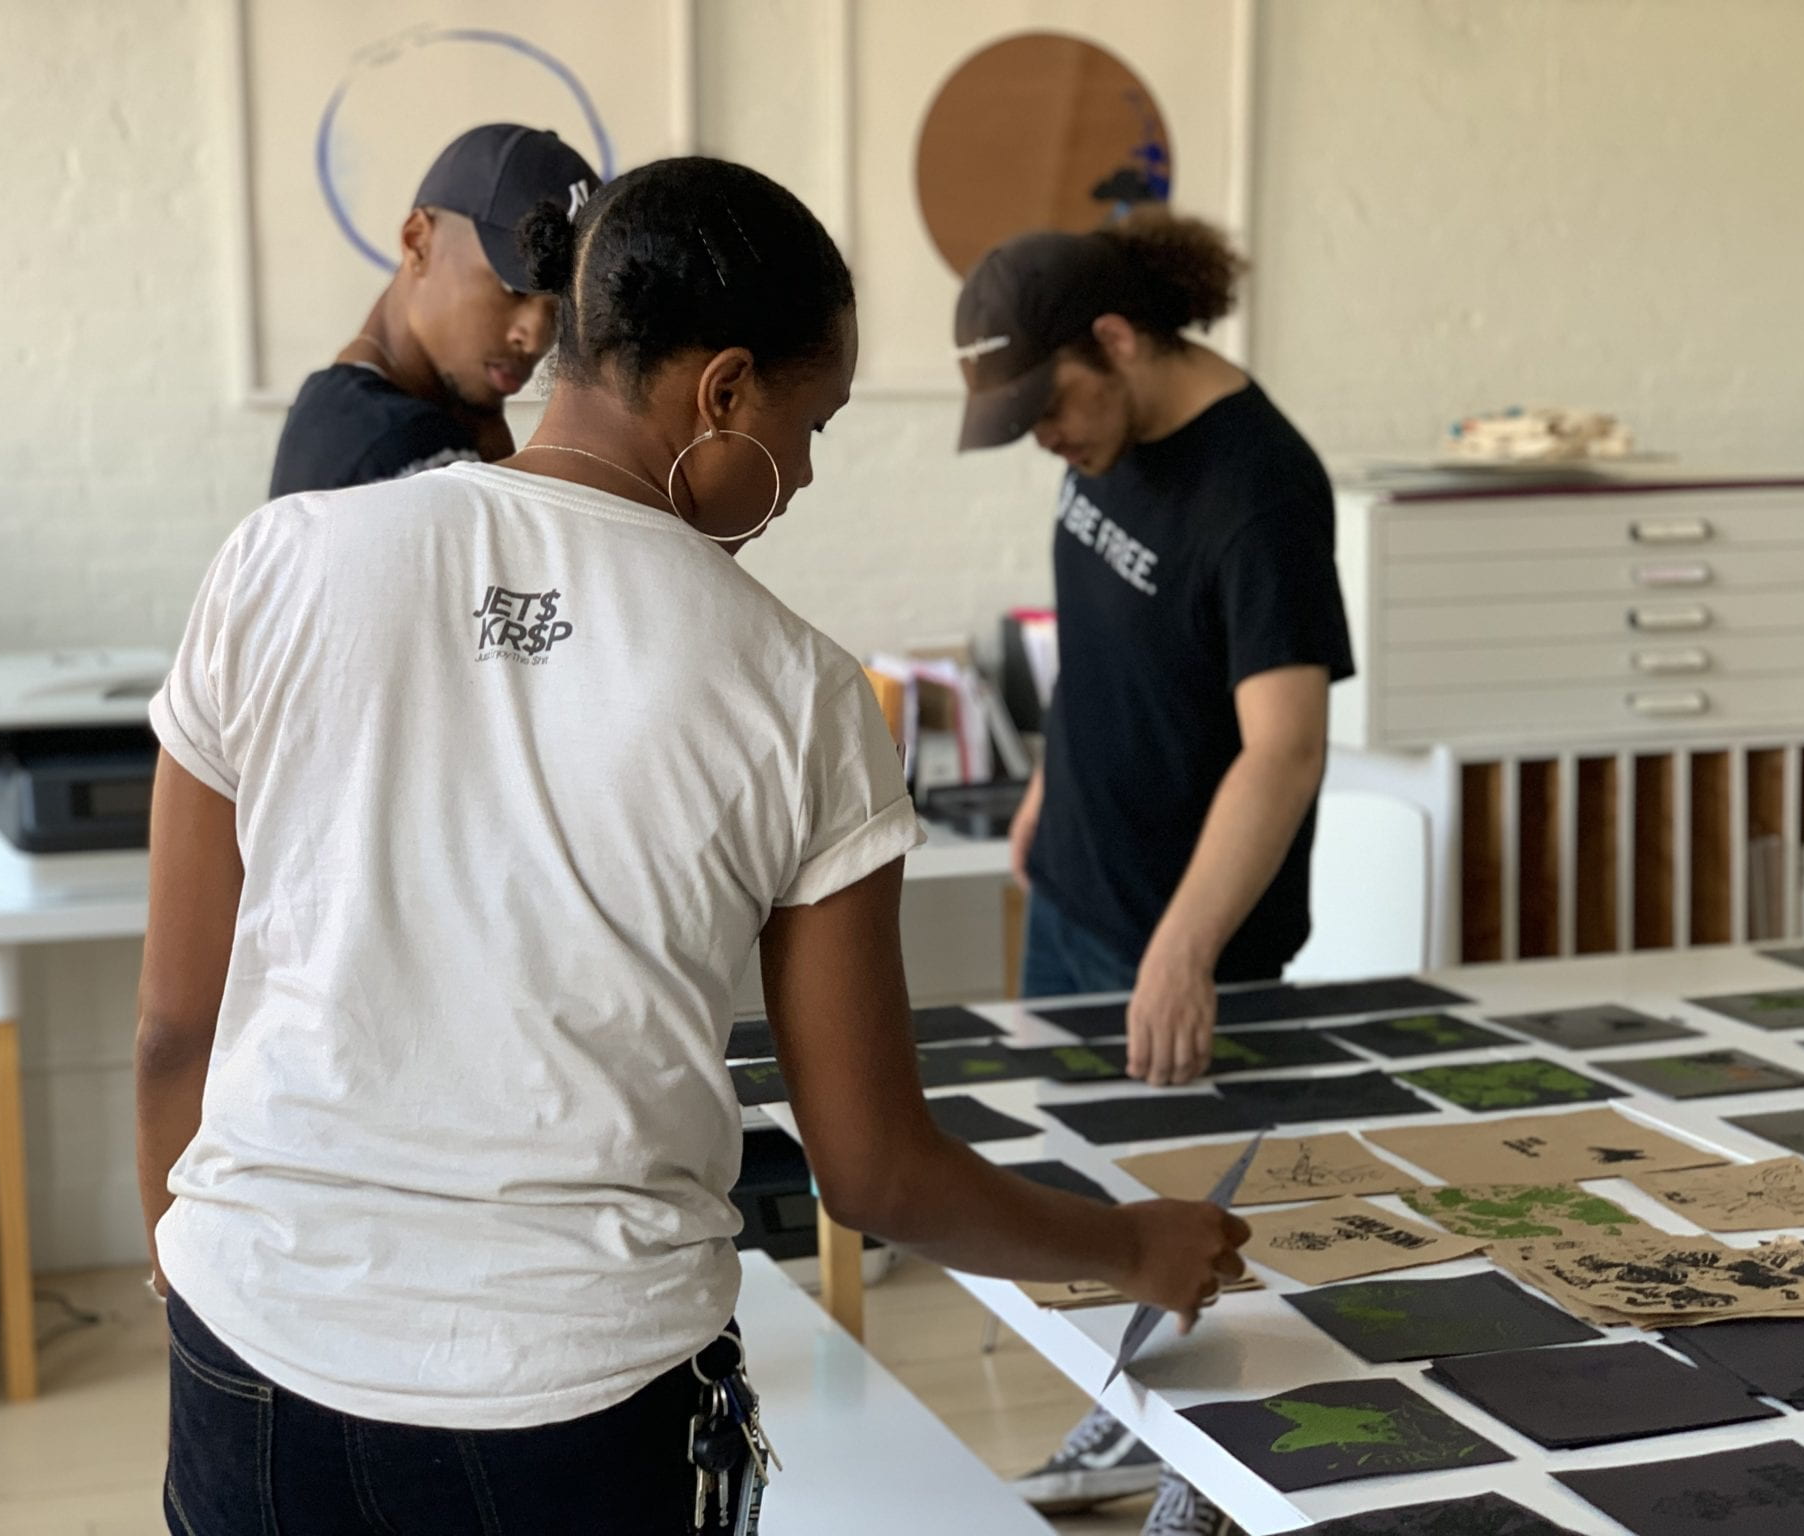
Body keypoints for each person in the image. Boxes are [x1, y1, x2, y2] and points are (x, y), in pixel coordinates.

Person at [137, 156, 1249, 1535]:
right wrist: (1136, 1245)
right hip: (575, 1397)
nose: (807, 470)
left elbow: (175, 1031)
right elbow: (878, 1174)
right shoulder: (800, 692)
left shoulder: (280, 559)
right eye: (812, 421)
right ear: (721, 393)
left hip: (250, 1350)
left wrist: (191, 1279)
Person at [955, 214, 1355, 1535]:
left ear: (1116, 341)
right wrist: (1047, 793)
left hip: (1176, 938)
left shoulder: (1260, 487)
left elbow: (1286, 749)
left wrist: (1183, 949)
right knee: (1080, 1202)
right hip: (1074, 885)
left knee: (1185, 1225)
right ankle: (1125, 1419)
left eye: (1050, 406)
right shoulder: (1105, 435)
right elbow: (1106, 633)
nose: (1046, 441)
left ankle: (1205, 1469)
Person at [266, 123, 597, 498]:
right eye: (512, 289)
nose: (536, 336)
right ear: (418, 241)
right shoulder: (404, 445)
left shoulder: (336, 409)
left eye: (562, 308)